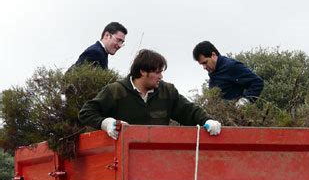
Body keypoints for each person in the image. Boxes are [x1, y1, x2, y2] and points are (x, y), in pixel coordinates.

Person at [79, 49, 221, 139]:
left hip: (157, 160)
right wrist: (105, 123)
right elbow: (86, 112)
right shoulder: (115, 91)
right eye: (157, 72)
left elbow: (189, 111)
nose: (161, 77)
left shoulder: (168, 91)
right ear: (142, 71)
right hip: (122, 162)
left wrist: (207, 120)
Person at [193, 41, 264, 107]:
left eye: (205, 62)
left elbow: (257, 82)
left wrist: (245, 101)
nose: (204, 67)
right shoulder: (213, 72)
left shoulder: (231, 66)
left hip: (236, 117)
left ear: (213, 55)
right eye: (201, 64)